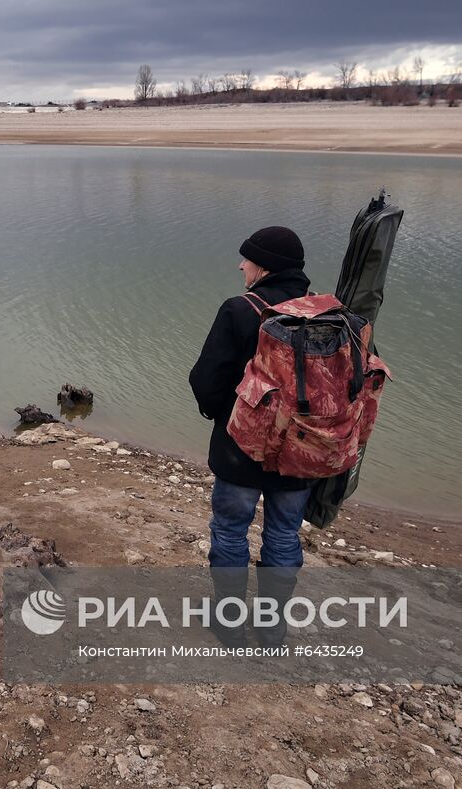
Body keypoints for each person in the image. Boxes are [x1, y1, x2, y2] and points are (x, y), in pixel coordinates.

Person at [189, 226, 310, 645]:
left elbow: (206, 381)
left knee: (230, 531)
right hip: (303, 454)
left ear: (264, 267)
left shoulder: (240, 310)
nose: (241, 265)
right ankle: (271, 628)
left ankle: (228, 624)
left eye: (247, 259)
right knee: (282, 535)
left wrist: (222, 415)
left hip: (241, 451)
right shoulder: (331, 315)